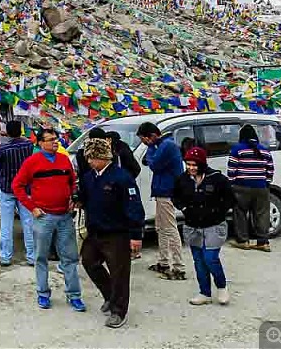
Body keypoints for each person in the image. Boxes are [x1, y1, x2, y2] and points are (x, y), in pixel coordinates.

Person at [12, 128, 85, 312]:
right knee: (41, 257)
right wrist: (32, 208)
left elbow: (72, 181)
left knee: (69, 257)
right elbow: (17, 185)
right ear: (40, 143)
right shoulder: (32, 162)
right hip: (44, 217)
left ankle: (74, 295)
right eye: (51, 139)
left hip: (64, 216)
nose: (56, 142)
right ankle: (43, 293)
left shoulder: (63, 159)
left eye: (56, 138)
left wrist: (73, 198)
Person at [78, 138, 145, 329]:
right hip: (95, 231)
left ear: (103, 157)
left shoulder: (122, 178)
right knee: (89, 262)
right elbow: (85, 196)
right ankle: (109, 295)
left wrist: (136, 235)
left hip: (117, 233)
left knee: (119, 273)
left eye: (92, 157)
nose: (89, 161)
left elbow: (134, 208)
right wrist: (77, 199)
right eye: (88, 157)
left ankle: (118, 311)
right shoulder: (89, 177)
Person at [174, 147, 235, 305]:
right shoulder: (182, 179)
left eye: (194, 165)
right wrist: (184, 208)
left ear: (202, 164)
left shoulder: (217, 178)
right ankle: (204, 292)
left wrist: (219, 212)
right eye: (188, 164)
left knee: (210, 258)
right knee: (198, 261)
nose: (191, 168)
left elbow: (230, 198)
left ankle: (221, 287)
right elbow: (175, 196)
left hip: (214, 225)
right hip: (192, 226)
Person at [137, 121, 185, 280]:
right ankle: (163, 261)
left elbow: (154, 164)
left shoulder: (166, 146)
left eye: (145, 140)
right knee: (160, 227)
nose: (145, 144)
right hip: (161, 191)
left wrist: (150, 148)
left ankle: (178, 266)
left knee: (170, 228)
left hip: (167, 191)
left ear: (151, 136)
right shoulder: (161, 146)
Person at [0, 120, 34, 266]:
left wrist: (0, 172)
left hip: (7, 188)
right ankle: (32, 256)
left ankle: (5, 257)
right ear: (20, 131)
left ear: (6, 132)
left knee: (6, 224)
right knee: (28, 223)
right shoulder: (28, 145)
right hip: (25, 188)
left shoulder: (3, 148)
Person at [227, 125, 274, 252]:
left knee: (240, 213)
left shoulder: (237, 149)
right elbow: (270, 170)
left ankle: (243, 241)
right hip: (261, 187)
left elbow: (232, 169)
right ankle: (263, 242)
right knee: (262, 214)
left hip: (242, 187)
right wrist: (266, 183)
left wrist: (232, 184)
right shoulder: (265, 150)